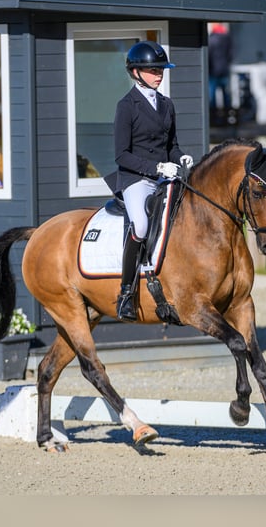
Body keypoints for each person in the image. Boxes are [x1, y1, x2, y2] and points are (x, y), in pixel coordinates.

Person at [108, 40, 193, 322]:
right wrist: (156, 167)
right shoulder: (126, 106)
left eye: (161, 69)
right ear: (136, 72)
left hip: (164, 176)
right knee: (142, 226)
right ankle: (125, 293)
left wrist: (182, 158)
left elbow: (172, 145)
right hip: (136, 179)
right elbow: (121, 154)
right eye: (153, 70)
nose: (159, 74)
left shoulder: (167, 105)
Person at [208, 22, 233, 125]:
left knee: (212, 96)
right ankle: (227, 118)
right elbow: (230, 54)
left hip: (213, 71)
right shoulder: (227, 38)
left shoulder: (211, 38)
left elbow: (208, 55)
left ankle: (214, 119)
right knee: (226, 95)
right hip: (224, 70)